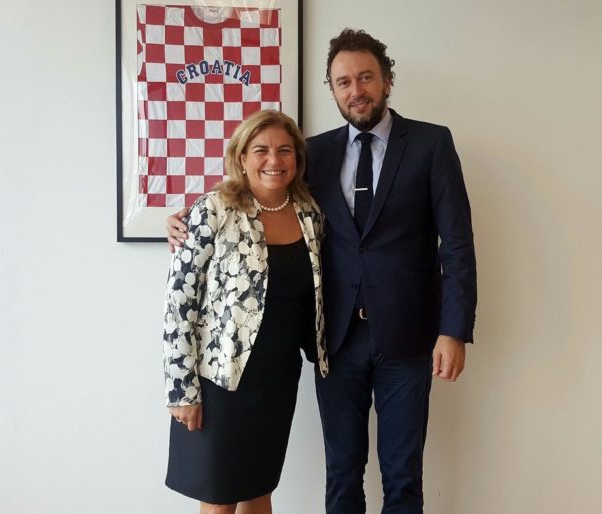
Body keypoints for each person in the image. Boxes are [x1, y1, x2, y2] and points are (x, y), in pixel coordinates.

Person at [168, 29, 477, 514]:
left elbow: (456, 244)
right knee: (342, 473)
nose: (356, 90)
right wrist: (185, 218)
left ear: (387, 80)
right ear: (332, 90)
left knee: (403, 475)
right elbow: (258, 188)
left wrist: (453, 330)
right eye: (343, 82)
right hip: (335, 342)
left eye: (366, 77)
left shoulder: (431, 144)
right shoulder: (314, 152)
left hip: (408, 339)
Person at [162, 109, 328, 514]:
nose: (274, 160)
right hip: (221, 381)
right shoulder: (214, 209)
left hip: (277, 378)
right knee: (219, 499)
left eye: (284, 150)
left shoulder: (309, 212)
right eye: (261, 150)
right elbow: (180, 302)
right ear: (241, 157)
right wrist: (181, 389)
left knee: (259, 490)